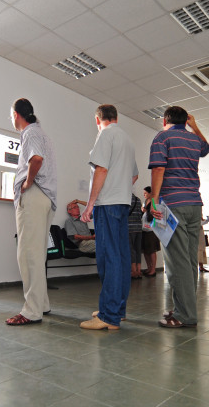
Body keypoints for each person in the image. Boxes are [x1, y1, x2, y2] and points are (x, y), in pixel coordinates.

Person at [147, 105, 209, 328]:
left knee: (176, 262)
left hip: (172, 204)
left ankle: (185, 315)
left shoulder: (162, 137)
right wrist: (194, 125)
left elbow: (158, 170)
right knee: (190, 261)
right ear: (186, 120)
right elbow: (206, 148)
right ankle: (185, 308)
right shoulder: (194, 139)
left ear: (165, 120)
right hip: (194, 205)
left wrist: (154, 200)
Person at [80, 104, 139, 330]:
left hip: (107, 204)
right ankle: (117, 309)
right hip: (123, 203)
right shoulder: (127, 139)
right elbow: (134, 176)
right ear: (116, 117)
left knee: (109, 257)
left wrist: (90, 204)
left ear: (98, 119)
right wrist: (119, 187)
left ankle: (108, 316)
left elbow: (101, 170)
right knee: (122, 257)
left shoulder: (105, 135)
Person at [6, 98, 57, 326]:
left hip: (35, 195)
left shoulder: (30, 133)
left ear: (16, 114)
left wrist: (27, 183)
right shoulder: (39, 132)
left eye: (11, 114)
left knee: (27, 254)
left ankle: (32, 310)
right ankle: (41, 304)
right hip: (44, 197)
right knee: (37, 254)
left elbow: (36, 159)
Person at [141, 186, 160, 277]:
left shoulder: (153, 201)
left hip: (151, 229)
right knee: (145, 250)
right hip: (144, 228)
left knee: (152, 249)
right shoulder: (145, 202)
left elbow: (155, 213)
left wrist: (146, 211)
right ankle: (149, 267)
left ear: (150, 193)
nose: (144, 195)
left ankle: (153, 269)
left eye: (145, 193)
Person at [128, 193, 144, 279]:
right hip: (139, 228)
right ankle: (139, 270)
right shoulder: (138, 200)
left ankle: (133, 271)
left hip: (129, 227)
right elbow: (140, 214)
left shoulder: (127, 200)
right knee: (138, 249)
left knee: (131, 249)